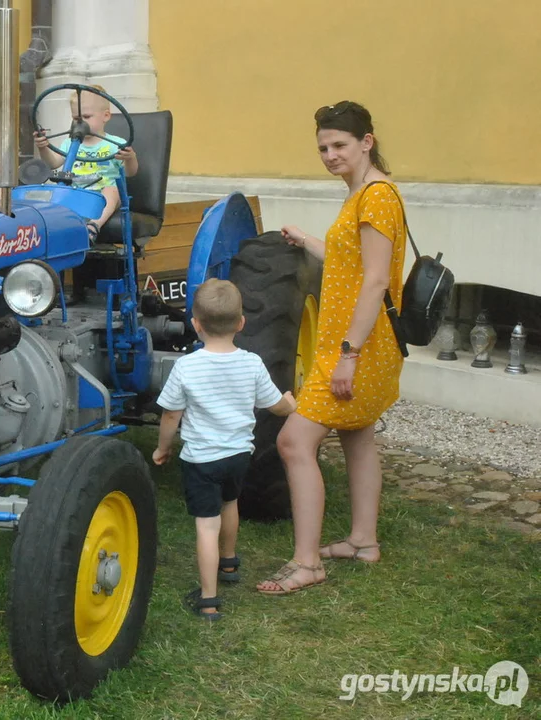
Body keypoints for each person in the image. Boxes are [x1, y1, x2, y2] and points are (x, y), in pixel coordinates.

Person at [256, 101, 407, 596]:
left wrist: (348, 353)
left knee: (293, 441)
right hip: (355, 342)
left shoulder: (377, 196)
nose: (329, 154)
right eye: (323, 147)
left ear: (367, 142)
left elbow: (377, 280)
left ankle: (307, 563)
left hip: (357, 345)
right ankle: (363, 541)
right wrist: (306, 241)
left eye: (340, 144)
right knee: (358, 434)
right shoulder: (362, 193)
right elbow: (352, 265)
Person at [152, 279, 297, 619]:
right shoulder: (251, 363)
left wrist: (162, 448)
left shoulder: (186, 367)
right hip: (237, 456)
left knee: (206, 524)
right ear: (241, 322)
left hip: (202, 459)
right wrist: (290, 403)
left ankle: (208, 599)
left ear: (195, 324)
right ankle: (229, 564)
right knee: (230, 503)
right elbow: (275, 405)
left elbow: (171, 414)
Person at [33, 84, 138, 236]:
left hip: (104, 196)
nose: (80, 123)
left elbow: (130, 173)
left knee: (112, 190)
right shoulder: (70, 143)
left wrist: (130, 158)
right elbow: (53, 163)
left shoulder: (115, 144)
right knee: (51, 192)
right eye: (76, 118)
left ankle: (93, 227)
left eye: (87, 117)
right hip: (76, 193)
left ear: (106, 116)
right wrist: (43, 148)